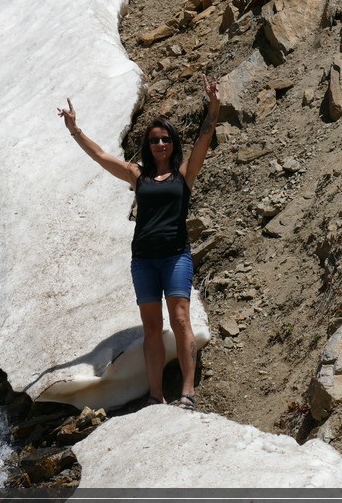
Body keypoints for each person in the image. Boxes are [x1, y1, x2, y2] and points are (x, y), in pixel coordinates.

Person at [56, 74, 221, 410]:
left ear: (173, 144)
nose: (160, 144)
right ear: (149, 145)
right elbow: (101, 156)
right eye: (155, 140)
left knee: (180, 318)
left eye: (166, 140)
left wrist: (214, 106)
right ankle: (156, 394)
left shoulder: (184, 174)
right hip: (144, 260)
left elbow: (205, 136)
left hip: (176, 256)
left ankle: (187, 391)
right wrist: (75, 129)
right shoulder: (138, 175)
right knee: (152, 329)